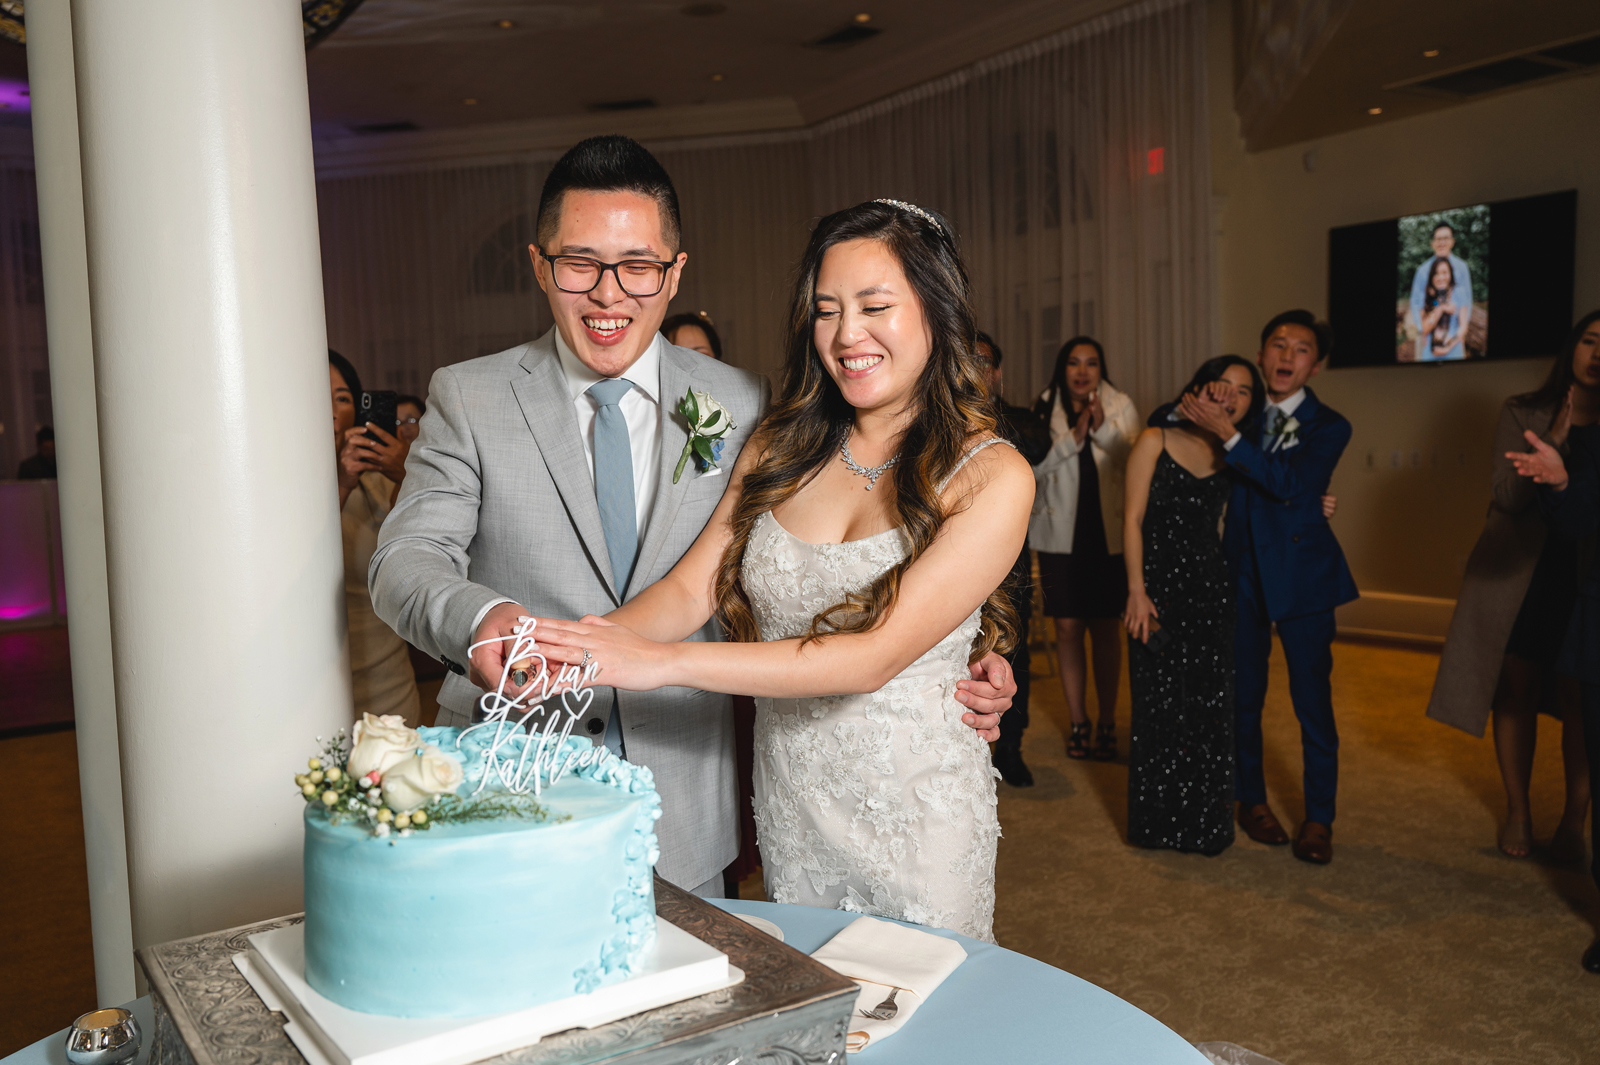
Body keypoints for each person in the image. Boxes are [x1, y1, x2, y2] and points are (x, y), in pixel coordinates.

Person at [369, 140, 1015, 899]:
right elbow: (409, 559)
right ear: (542, 265)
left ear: (674, 272)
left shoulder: (744, 401)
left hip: (709, 794)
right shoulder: (783, 433)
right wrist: (536, 639)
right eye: (581, 263)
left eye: (637, 266)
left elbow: (889, 626)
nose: (609, 293)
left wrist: (960, 654)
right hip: (527, 762)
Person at [529, 200, 1035, 940]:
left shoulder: (992, 475)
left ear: (936, 310)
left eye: (875, 306)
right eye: (826, 310)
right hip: (795, 796)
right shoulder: (779, 446)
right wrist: (581, 646)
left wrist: (658, 663)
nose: (846, 335)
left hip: (918, 810)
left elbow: (870, 656)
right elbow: (690, 586)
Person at [1178, 310, 1358, 864]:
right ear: (1260, 357)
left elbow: (1287, 482)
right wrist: (1216, 411)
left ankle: (1319, 818)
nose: (1286, 356)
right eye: (1277, 345)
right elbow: (1173, 420)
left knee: (1312, 704)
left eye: (1300, 349)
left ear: (1316, 366)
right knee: (1244, 699)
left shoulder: (1332, 426)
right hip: (1243, 574)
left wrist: (1228, 433)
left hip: (1306, 578)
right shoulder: (1241, 412)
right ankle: (1251, 800)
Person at [1427, 310, 1600, 860]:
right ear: (1572, 346)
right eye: (1591, 341)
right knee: (1516, 689)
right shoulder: (1523, 410)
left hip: (1587, 575)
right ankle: (1519, 812)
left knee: (1581, 698)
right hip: (1522, 573)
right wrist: (1552, 439)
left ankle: (1575, 820)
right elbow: (1505, 496)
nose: (1598, 354)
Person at [1123, 357, 1264, 855]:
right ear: (1199, 388)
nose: (1231, 394)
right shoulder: (1153, 439)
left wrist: (1320, 500)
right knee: (1158, 709)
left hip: (1211, 592)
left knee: (1209, 712)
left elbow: (1271, 503)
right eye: (1222, 382)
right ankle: (1155, 824)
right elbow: (1133, 520)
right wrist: (1136, 591)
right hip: (1155, 592)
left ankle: (1206, 827)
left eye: (1244, 391)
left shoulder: (1237, 455)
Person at [1505, 324, 1600, 973]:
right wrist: (1560, 476)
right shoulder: (1534, 412)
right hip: (1560, 585)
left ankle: (1573, 817)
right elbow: (1573, 516)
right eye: (1593, 337)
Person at [1030, 337, 1140, 761]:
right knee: (1068, 629)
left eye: (1092, 363)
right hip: (1061, 538)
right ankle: (1079, 722)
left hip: (1109, 535)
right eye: (1074, 363)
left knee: (1106, 630)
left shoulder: (1121, 404)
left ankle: (1108, 720)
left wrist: (1101, 429)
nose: (1082, 371)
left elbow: (1137, 457)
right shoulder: (1044, 405)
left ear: (1101, 369)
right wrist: (1074, 437)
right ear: (1063, 368)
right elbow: (1031, 467)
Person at [975, 331, 1052, 786]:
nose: (976, 368)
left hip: (1009, 561)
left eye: (984, 361)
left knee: (1012, 653)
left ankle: (1013, 747)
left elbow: (1038, 445)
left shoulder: (1017, 419)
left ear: (997, 373)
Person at [329, 350, 421, 725]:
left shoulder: (382, 480)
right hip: (307, 683)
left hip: (387, 679)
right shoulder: (276, 485)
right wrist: (340, 483)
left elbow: (420, 554)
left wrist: (405, 473)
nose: (332, 409)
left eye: (343, 398)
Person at [1408, 223, 1473, 361]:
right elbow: (1416, 302)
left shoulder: (1462, 268)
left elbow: (1467, 300)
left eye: (1445, 238)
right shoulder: (1422, 270)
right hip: (1429, 338)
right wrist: (1422, 330)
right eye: (1438, 239)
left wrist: (1460, 335)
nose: (1442, 242)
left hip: (1454, 341)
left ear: (1452, 241)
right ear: (1432, 243)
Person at [1415, 257, 1464, 361]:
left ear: (1450, 274)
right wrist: (1441, 308)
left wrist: (1448, 347)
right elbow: (1425, 329)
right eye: (1436, 273)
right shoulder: (1427, 296)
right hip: (1431, 355)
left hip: (1454, 354)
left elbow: (1463, 327)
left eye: (1444, 272)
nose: (1441, 277)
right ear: (1432, 277)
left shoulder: (1459, 293)